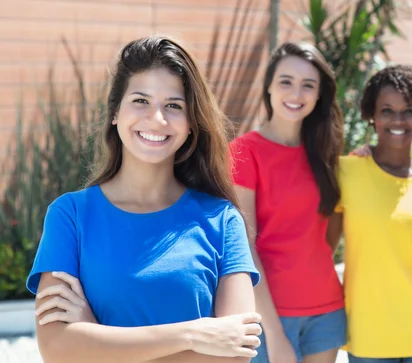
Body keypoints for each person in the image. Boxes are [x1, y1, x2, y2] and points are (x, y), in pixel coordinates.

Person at [26, 35, 262, 363]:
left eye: (174, 106)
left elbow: (236, 354)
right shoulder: (70, 215)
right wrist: (194, 334)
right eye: (140, 100)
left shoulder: (221, 220)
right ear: (114, 113)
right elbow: (56, 349)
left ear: (192, 123)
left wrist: (95, 335)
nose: (157, 119)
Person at [327, 65, 412, 363]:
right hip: (367, 335)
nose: (398, 120)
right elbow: (322, 251)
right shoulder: (346, 172)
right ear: (371, 115)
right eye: (387, 110)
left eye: (409, 112)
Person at [229, 42, 347, 363]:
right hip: (269, 315)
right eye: (286, 82)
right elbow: (244, 247)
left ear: (319, 94)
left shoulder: (324, 151)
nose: (296, 93)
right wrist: (275, 334)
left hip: (326, 310)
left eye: (308, 85)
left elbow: (330, 228)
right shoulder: (245, 152)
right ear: (268, 87)